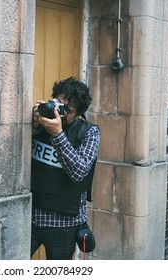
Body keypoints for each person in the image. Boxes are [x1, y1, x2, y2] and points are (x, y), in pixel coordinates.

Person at [30, 76, 100, 260]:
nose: (58, 111)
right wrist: (32, 124)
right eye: (57, 103)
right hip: (30, 215)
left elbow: (79, 172)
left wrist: (58, 134)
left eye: (66, 109)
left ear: (78, 114)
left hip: (64, 223)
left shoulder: (89, 133)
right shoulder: (40, 123)